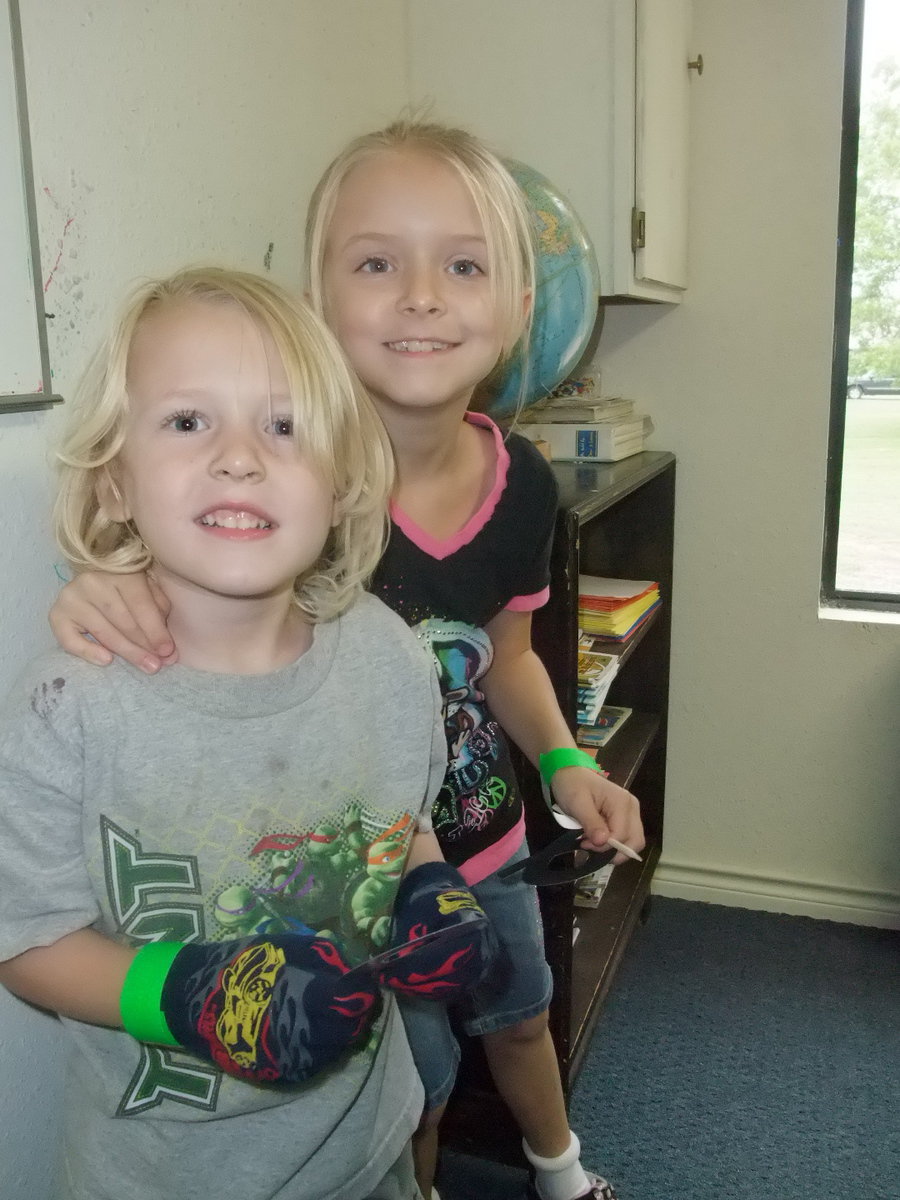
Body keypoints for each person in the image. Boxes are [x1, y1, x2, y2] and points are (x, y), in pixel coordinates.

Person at [48, 123, 646, 1200]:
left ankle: (558, 1170)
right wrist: (112, 576)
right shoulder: (272, 486)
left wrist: (565, 767)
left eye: (463, 265)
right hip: (314, 856)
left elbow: (507, 655)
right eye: (378, 262)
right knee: (413, 1072)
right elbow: (175, 543)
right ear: (320, 301)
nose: (421, 296)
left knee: (514, 1013)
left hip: (468, 831)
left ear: (520, 309)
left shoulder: (520, 491)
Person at [0, 266, 498, 1200]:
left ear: (345, 484)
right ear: (113, 481)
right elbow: (26, 943)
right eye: (189, 422)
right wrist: (185, 995)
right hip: (161, 1174)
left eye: (284, 426)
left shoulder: (390, 659)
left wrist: (429, 887)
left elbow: (401, 815)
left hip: (364, 1141)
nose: (239, 457)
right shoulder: (68, 707)